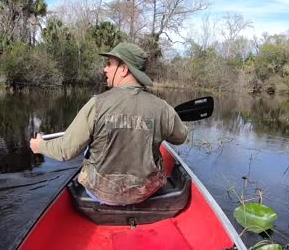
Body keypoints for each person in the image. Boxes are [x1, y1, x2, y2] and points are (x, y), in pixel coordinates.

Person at [30, 43, 188, 205]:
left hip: (101, 193)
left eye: (109, 64)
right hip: (144, 193)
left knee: (87, 146)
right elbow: (180, 137)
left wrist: (40, 146)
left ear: (124, 69)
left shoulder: (96, 104)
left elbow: (66, 150)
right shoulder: (162, 108)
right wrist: (168, 118)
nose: (105, 69)